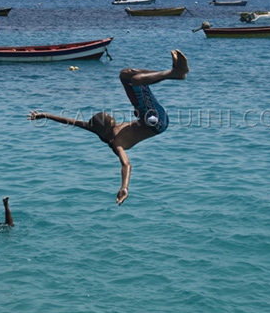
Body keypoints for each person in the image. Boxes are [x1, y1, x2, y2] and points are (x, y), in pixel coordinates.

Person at [28, 49, 189, 205]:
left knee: (125, 74)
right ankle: (175, 72)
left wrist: (47, 115)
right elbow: (126, 164)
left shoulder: (96, 128)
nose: (112, 116)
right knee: (137, 80)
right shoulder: (117, 143)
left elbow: (71, 121)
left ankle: (176, 73)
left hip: (144, 115)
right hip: (157, 122)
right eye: (110, 118)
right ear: (107, 129)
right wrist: (124, 187)